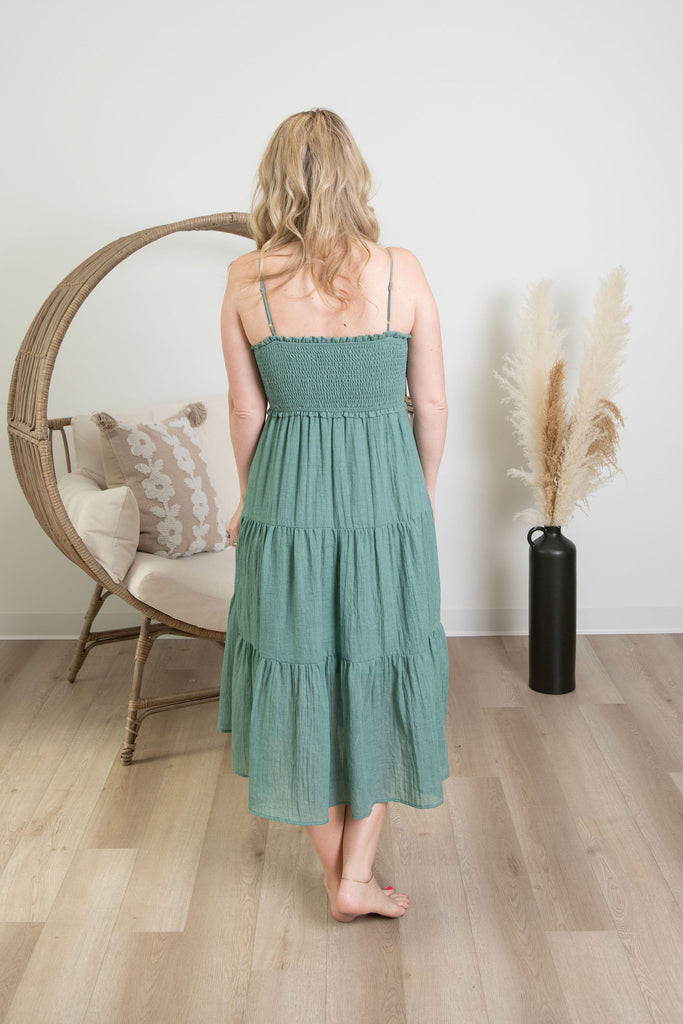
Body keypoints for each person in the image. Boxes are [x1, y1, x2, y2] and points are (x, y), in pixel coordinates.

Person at [217, 109, 449, 922]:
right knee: (382, 662)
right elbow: (431, 402)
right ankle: (356, 874)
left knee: (293, 666)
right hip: (388, 494)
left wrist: (249, 498)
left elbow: (245, 412)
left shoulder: (245, 279)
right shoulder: (399, 269)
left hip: (286, 496)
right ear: (354, 176)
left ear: (274, 181)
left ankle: (339, 879)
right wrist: (417, 495)